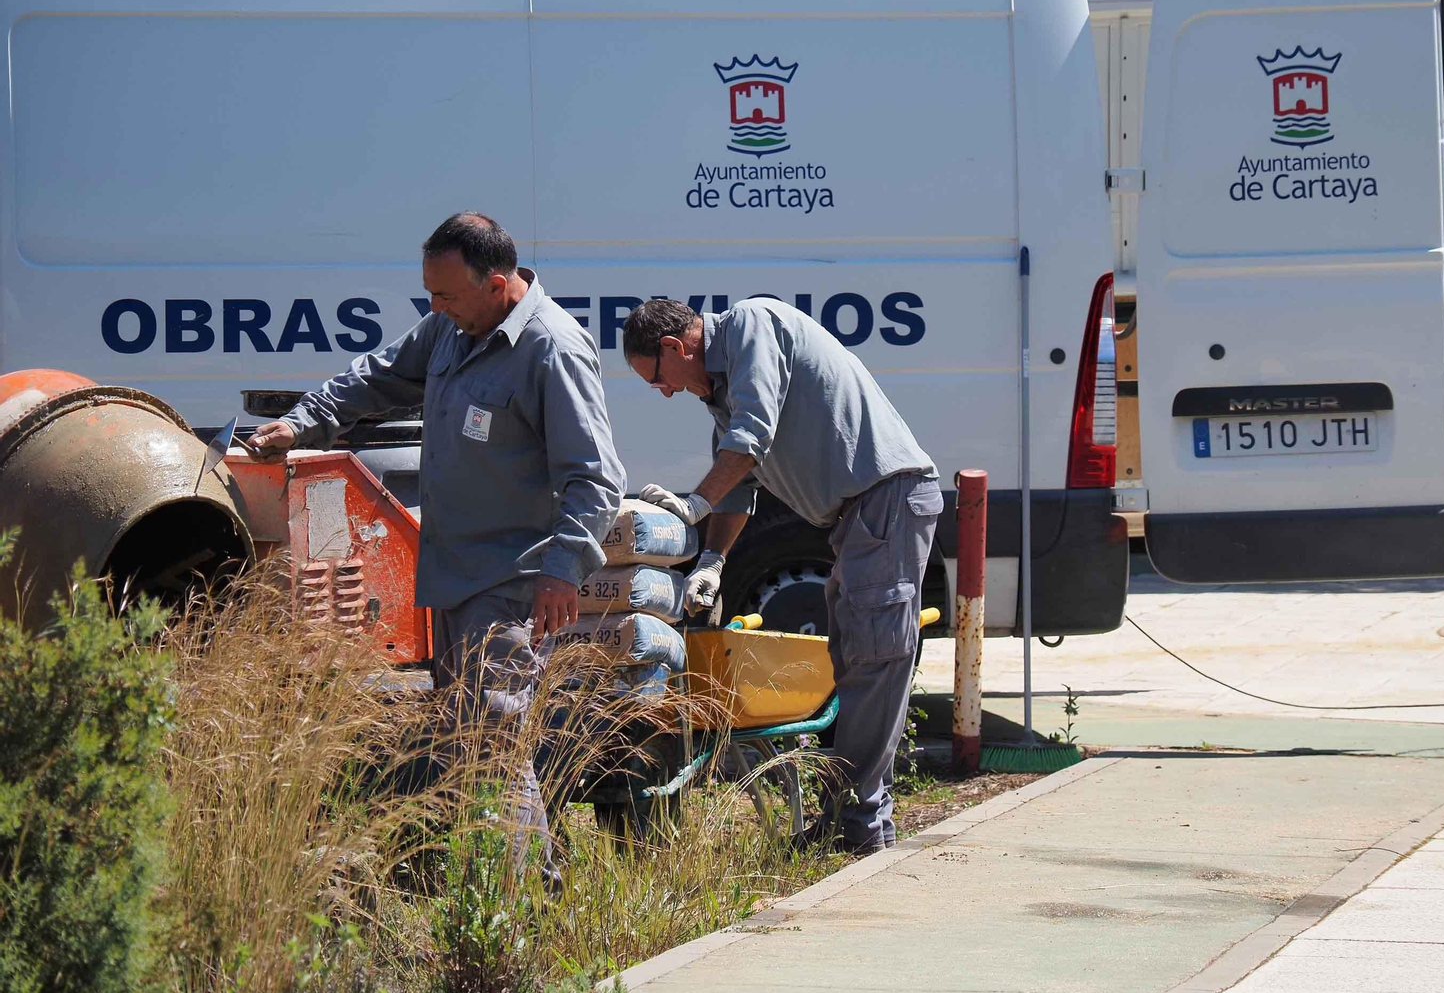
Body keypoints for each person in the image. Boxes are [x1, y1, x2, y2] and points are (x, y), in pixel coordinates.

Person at [248, 212, 625, 884]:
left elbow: (595, 479)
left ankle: (510, 908)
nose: (434, 307)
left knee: (491, 739)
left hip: (511, 582)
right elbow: (375, 375)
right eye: (430, 293)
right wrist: (301, 422)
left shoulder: (551, 350)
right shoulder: (452, 329)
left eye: (446, 294)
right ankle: (521, 886)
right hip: (453, 578)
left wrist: (562, 571)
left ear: (499, 283)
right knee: (477, 743)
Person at [621, 297, 942, 855]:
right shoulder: (721, 388)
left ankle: (858, 824)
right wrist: (712, 561)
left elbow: (752, 437)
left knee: (873, 660)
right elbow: (741, 488)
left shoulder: (752, 326)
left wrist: (693, 504)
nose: (665, 391)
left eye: (657, 378)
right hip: (860, 518)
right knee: (857, 660)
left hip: (887, 499)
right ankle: (861, 819)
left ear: (675, 348)